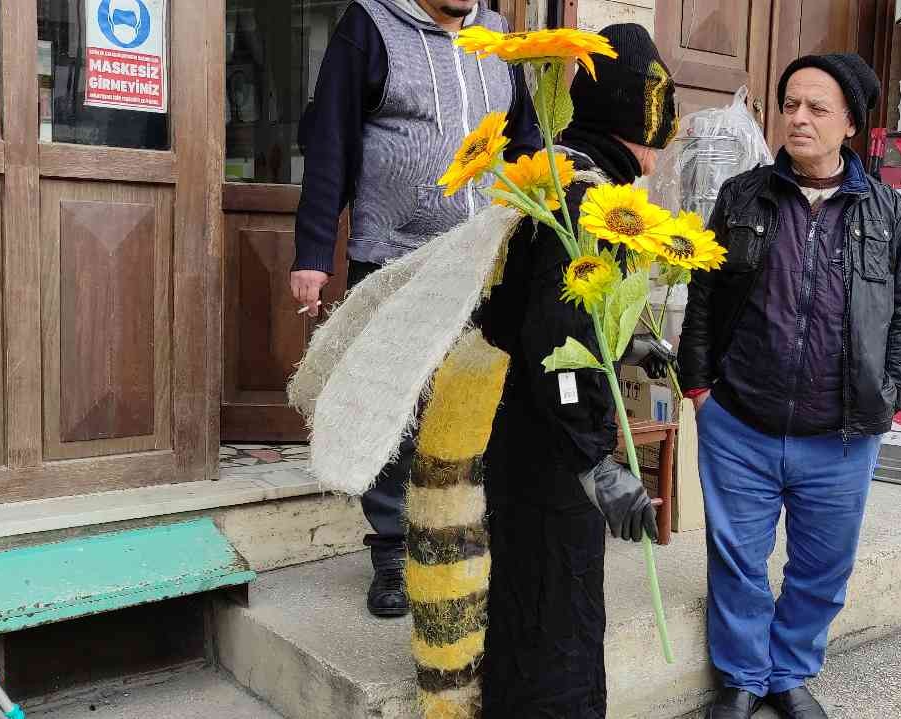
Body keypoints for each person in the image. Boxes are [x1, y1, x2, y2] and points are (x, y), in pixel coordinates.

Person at [678, 53, 901, 719]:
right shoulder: (743, 196)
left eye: (817, 107)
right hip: (742, 419)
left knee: (821, 568)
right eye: (790, 105)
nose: (799, 118)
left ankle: (788, 672)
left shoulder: (886, 211)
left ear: (850, 124)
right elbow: (704, 295)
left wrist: (892, 391)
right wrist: (698, 387)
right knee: (738, 560)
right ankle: (744, 676)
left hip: (840, 432)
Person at [290, 0, 540, 618]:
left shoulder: (497, 37)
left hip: (484, 256)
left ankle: (460, 538)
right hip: (394, 256)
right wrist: (314, 250)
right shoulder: (370, 26)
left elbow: (525, 137)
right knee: (391, 404)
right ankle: (393, 553)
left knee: (473, 401)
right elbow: (331, 141)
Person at [475, 23, 677, 718]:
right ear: (642, 113)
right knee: (554, 623)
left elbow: (532, 316)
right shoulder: (588, 199)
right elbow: (551, 338)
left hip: (524, 443)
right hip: (550, 459)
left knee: (532, 611)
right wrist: (594, 461)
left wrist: (624, 346)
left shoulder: (556, 177)